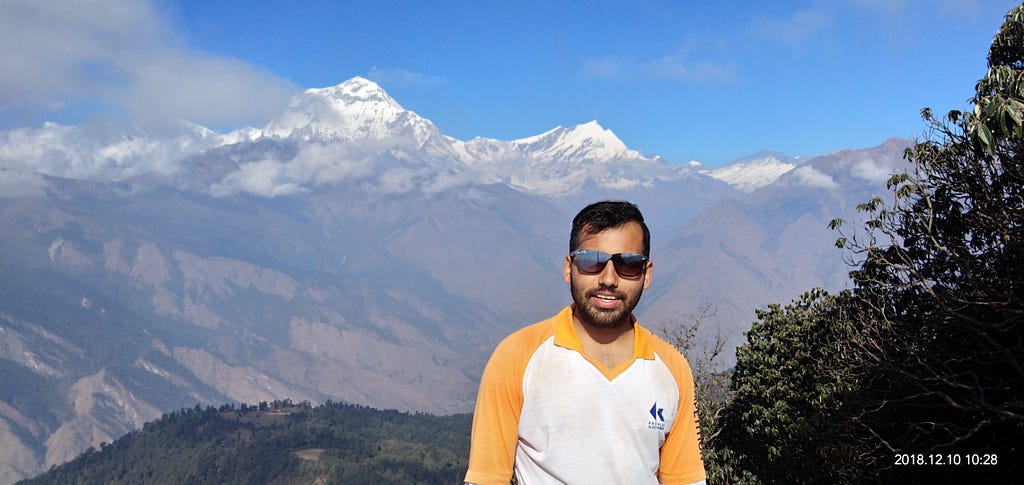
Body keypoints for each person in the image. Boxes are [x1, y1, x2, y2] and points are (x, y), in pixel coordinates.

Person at [465, 201, 707, 485]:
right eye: (591, 261)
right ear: (569, 268)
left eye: (628, 265)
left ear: (647, 274)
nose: (608, 279)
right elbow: (487, 478)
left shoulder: (673, 369)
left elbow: (685, 479)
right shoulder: (517, 356)